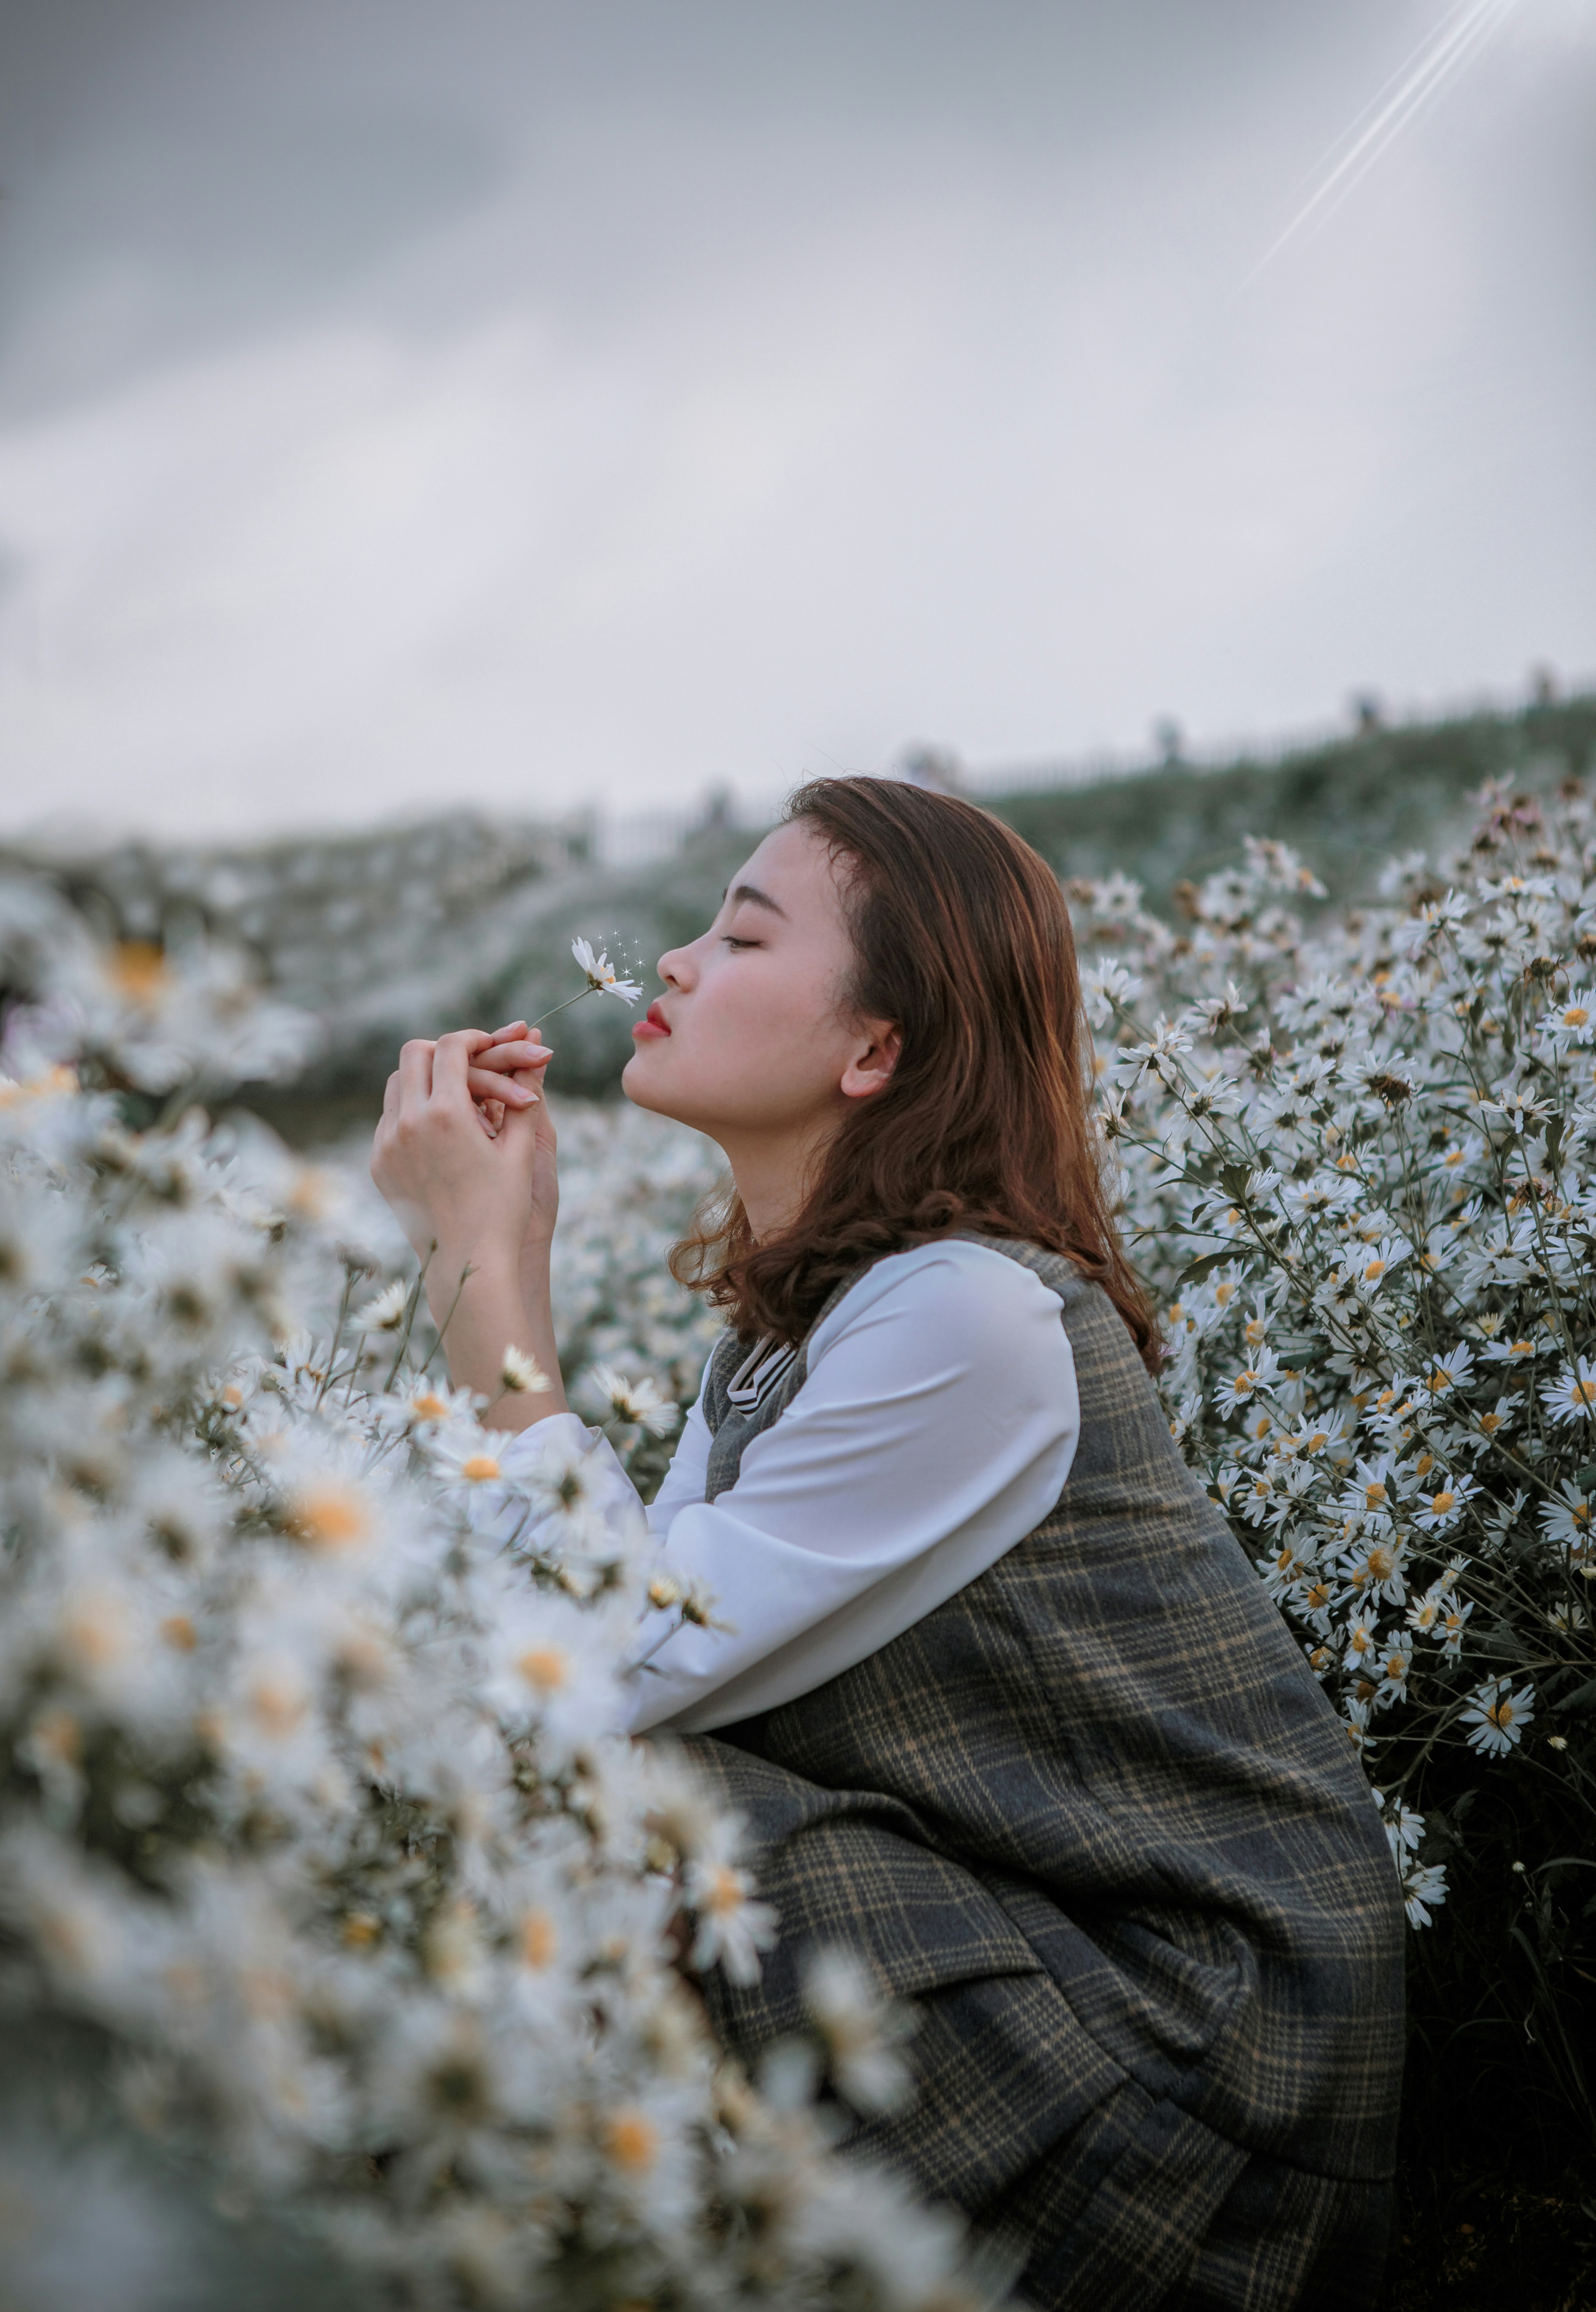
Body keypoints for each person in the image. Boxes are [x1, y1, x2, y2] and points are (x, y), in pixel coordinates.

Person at [371, 777, 1406, 2312]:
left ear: (877, 1050)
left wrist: (484, 1270)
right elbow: (596, 1648)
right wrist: (501, 1259)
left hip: (1204, 2080)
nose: (673, 963)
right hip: (1044, 1973)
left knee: (612, 1801)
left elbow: (586, 1673)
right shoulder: (800, 1339)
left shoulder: (969, 1313)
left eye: (740, 933)